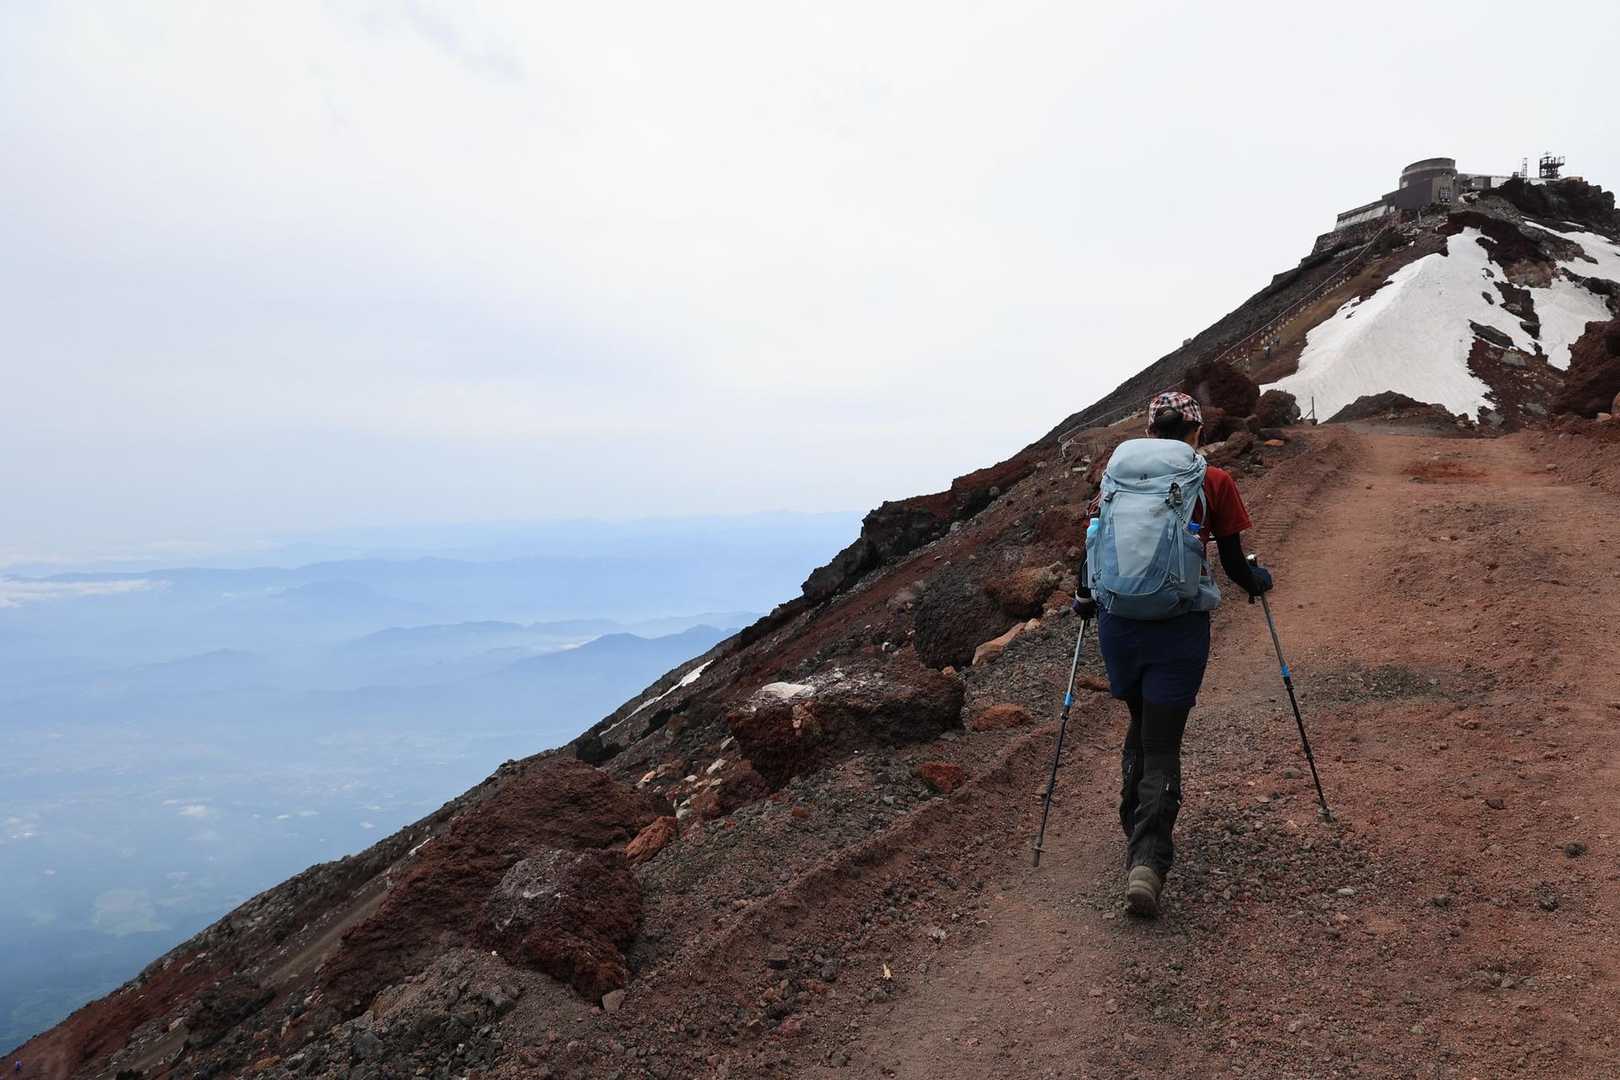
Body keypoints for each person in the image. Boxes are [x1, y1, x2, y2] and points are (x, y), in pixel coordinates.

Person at [1073, 390, 1272, 918]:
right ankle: (1148, 860)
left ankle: (1134, 824)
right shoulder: (1213, 480)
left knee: (1140, 723)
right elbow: (1234, 564)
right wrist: (1259, 580)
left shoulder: (1115, 479)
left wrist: (1083, 598)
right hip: (1178, 628)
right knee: (1163, 740)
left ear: (1149, 431)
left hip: (1119, 625)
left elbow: (1094, 545)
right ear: (1196, 431)